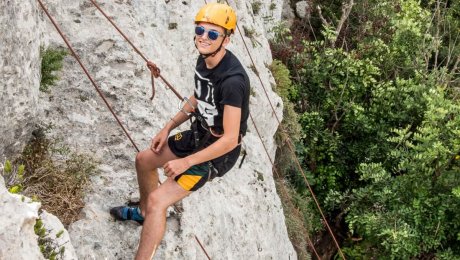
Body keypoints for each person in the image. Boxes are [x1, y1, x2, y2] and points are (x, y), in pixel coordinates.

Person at [110, 3, 250, 259]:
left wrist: (186, 162)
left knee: (158, 201)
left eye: (212, 34)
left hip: (215, 155)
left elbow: (231, 139)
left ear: (226, 39)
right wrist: (168, 126)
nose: (203, 37)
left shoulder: (233, 82)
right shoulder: (205, 59)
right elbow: (198, 97)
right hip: (198, 135)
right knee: (143, 160)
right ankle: (143, 214)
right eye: (200, 30)